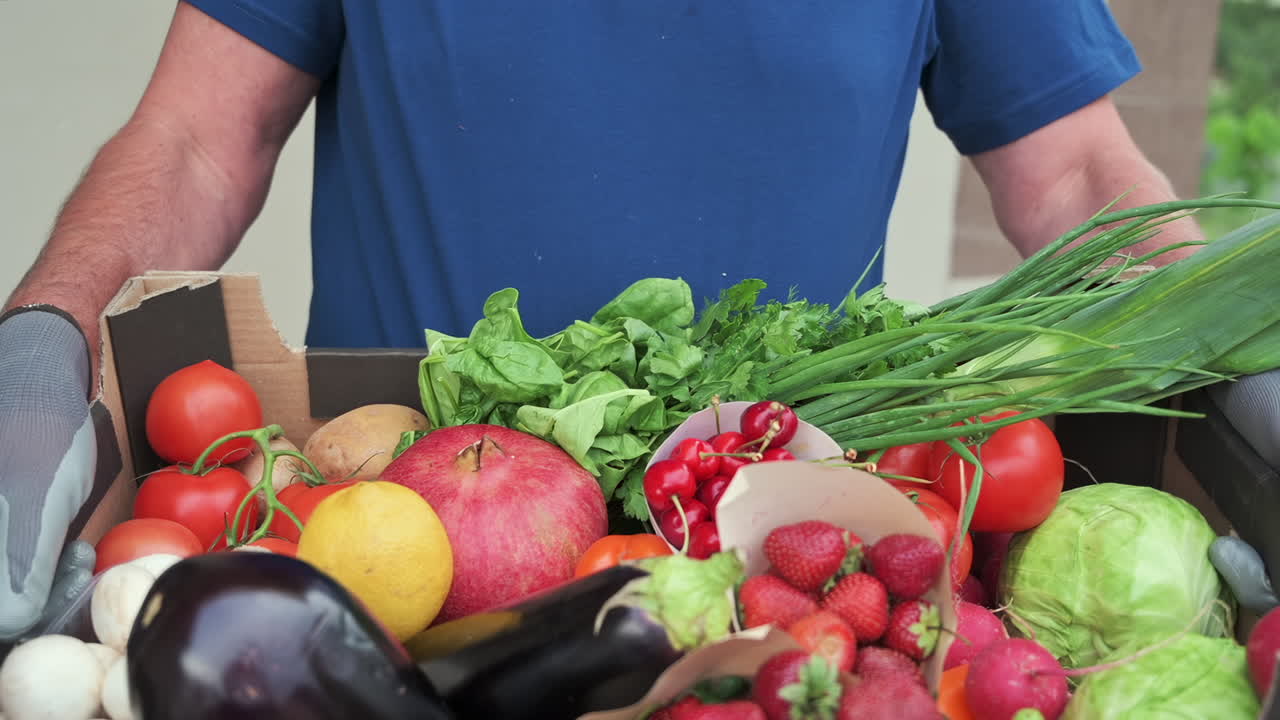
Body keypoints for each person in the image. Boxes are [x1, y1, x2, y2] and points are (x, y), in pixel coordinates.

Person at [1, 0, 1276, 640]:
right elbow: (194, 139)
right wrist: (40, 350)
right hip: (398, 570)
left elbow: (1076, 177)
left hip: (785, 579)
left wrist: (1228, 359)